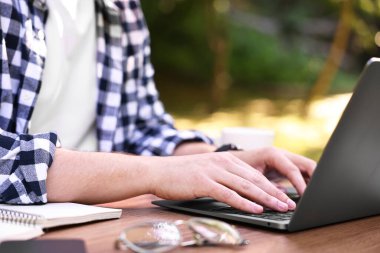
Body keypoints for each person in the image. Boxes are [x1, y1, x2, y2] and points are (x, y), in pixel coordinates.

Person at [0, 0, 315, 214]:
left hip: (103, 219)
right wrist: (156, 172)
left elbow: (144, 127)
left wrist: (223, 162)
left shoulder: (122, 8)